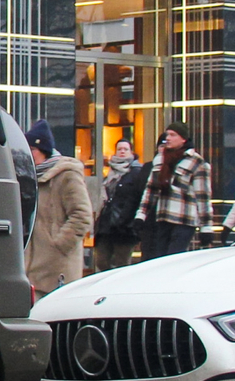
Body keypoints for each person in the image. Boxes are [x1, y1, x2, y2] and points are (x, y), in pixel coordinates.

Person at [23, 121, 93, 299]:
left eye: (31, 149)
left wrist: (59, 245)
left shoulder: (67, 175)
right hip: (32, 268)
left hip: (58, 269)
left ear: (43, 150)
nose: (27, 154)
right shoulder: (29, 176)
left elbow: (82, 216)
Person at [136, 123, 210, 258]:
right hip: (163, 218)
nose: (167, 138)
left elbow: (203, 196)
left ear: (183, 139)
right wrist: (141, 215)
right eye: (167, 134)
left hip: (184, 220)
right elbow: (151, 189)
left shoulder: (196, 162)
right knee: (159, 258)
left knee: (175, 257)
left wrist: (206, 226)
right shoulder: (160, 159)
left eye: (172, 135)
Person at [91, 137, 148, 271]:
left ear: (131, 152)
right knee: (101, 261)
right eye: (119, 149)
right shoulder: (110, 172)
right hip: (106, 225)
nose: (122, 152)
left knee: (121, 263)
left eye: (125, 149)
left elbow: (137, 198)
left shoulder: (136, 173)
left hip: (125, 227)